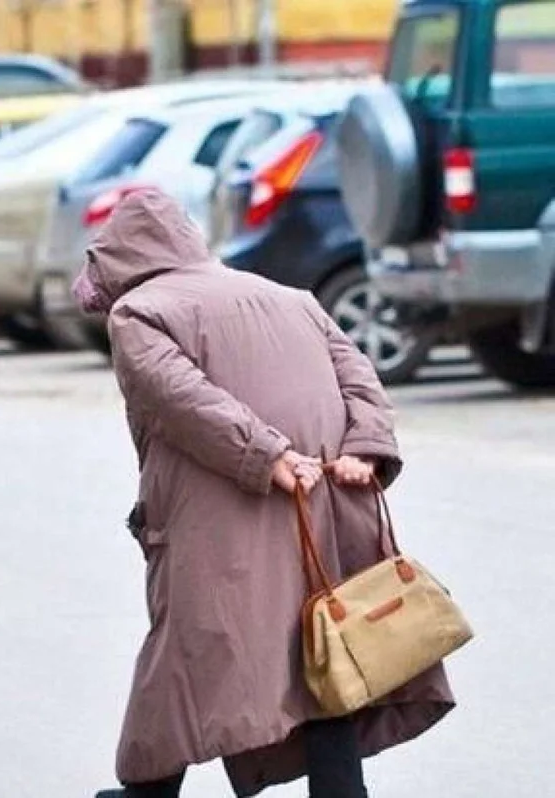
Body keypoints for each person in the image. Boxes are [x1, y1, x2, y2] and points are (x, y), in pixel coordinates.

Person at [77, 189, 455, 798]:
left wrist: (267, 453)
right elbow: (357, 372)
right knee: (319, 644)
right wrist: (364, 447)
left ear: (118, 257)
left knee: (188, 653)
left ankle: (146, 794)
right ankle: (339, 791)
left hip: (226, 514)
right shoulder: (289, 297)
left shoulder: (138, 313)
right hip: (319, 504)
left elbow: (179, 396)